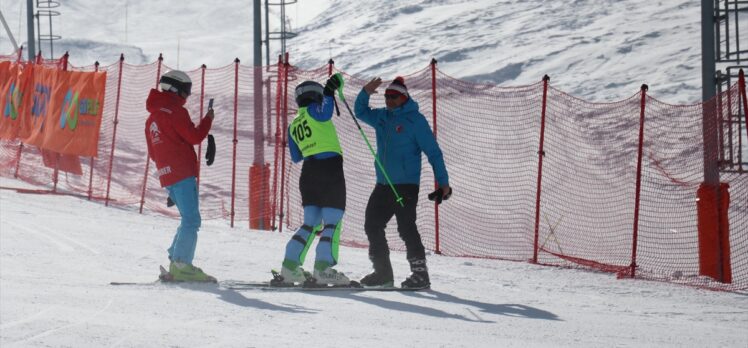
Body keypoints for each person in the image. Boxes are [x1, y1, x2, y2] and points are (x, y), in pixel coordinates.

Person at [353, 76, 452, 289]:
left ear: (404, 97)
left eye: (393, 96)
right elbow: (360, 112)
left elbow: (433, 153)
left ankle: (420, 275)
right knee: (372, 224)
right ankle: (383, 274)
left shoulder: (415, 120)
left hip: (406, 185)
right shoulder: (382, 117)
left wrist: (443, 183)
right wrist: (365, 92)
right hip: (383, 184)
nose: (389, 100)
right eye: (387, 96)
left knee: (406, 228)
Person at [279, 74, 350, 286]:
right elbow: (326, 112)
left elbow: (295, 155)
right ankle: (323, 269)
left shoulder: (294, 124)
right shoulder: (315, 111)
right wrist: (330, 92)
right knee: (332, 221)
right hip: (329, 169)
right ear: (316, 96)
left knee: (310, 223)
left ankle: (289, 266)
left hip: (309, 172)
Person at [145, 70, 215, 282]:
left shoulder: (152, 118)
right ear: (176, 89)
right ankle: (181, 264)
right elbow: (194, 136)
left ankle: (176, 258)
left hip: (167, 175)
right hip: (182, 172)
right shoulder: (175, 111)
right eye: (186, 91)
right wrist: (208, 118)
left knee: (188, 218)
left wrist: (168, 176)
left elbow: (152, 152)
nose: (187, 96)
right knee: (192, 220)